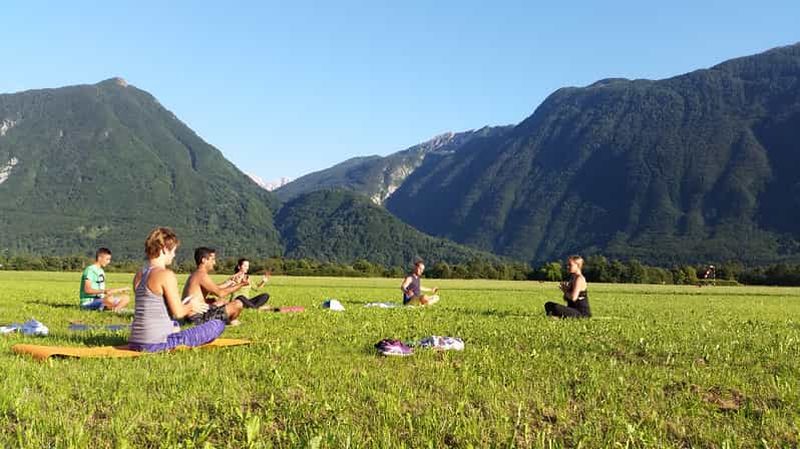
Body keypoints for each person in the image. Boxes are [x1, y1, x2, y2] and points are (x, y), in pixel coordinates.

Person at [128, 227, 224, 352]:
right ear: (163, 249)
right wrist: (191, 305)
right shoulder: (166, 274)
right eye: (173, 251)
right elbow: (178, 313)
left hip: (135, 341)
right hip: (158, 343)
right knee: (218, 324)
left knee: (176, 326)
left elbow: (152, 307)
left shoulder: (139, 274)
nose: (174, 255)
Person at [180, 247, 248, 326]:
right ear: (204, 260)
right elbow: (220, 293)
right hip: (196, 319)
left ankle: (226, 319)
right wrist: (241, 284)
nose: (214, 262)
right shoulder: (202, 275)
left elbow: (214, 288)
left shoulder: (196, 274)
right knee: (238, 304)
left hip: (189, 315)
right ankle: (230, 321)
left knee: (220, 301)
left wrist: (228, 282)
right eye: (212, 259)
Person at [79, 247, 130, 312]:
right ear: (100, 258)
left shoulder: (101, 271)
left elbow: (106, 291)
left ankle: (115, 310)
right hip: (89, 302)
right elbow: (87, 290)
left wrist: (121, 289)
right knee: (109, 299)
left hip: (101, 300)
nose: (109, 262)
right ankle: (109, 308)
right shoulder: (90, 270)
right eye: (107, 259)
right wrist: (104, 291)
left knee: (126, 298)